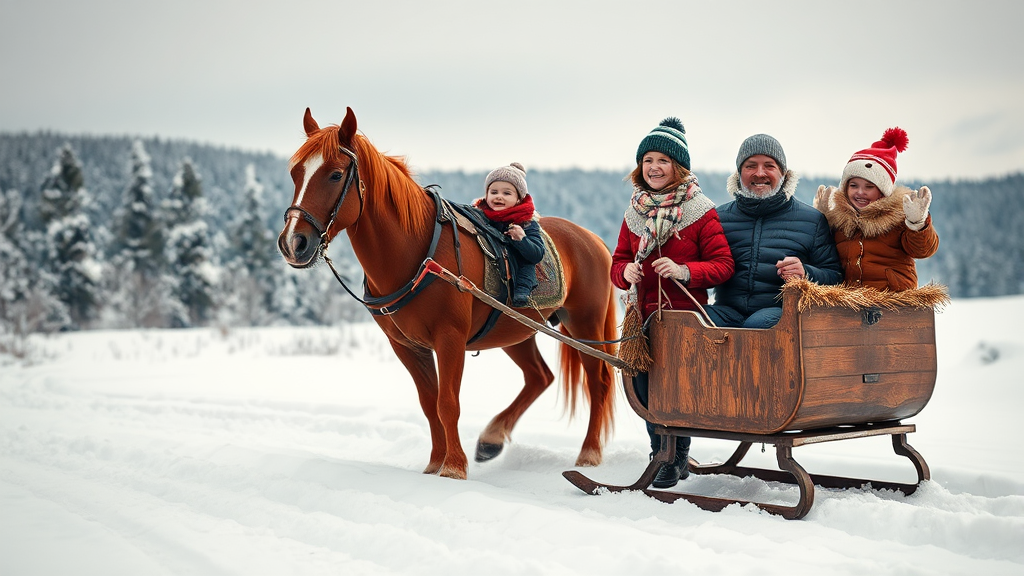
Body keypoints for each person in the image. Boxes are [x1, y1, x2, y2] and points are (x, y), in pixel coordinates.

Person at [610, 118, 734, 489]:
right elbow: (617, 262)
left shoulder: (700, 211)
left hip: (684, 318)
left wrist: (683, 271)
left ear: (678, 168)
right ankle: (658, 453)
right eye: (648, 160)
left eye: (662, 161)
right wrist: (625, 273)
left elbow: (723, 265)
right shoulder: (635, 213)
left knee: (677, 389)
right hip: (642, 318)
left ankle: (676, 457)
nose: (654, 168)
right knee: (647, 390)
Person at [705, 134, 843, 329]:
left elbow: (835, 277)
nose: (760, 173)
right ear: (739, 173)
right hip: (727, 310)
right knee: (690, 319)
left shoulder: (812, 220)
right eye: (751, 165)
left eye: (769, 166)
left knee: (757, 325)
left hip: (782, 312)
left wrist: (805, 272)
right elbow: (700, 266)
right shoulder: (719, 218)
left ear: (783, 173)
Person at [813, 127, 939, 290]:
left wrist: (917, 223)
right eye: (853, 185)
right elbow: (822, 255)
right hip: (849, 302)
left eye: (869, 187)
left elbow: (923, 250)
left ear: (882, 191)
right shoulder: (839, 222)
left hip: (893, 299)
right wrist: (822, 220)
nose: (860, 192)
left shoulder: (898, 217)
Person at [474, 162, 545, 307]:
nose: (499, 197)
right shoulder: (479, 216)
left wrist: (521, 240)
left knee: (525, 260)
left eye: (507, 193)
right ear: (486, 195)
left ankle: (522, 289)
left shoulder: (526, 223)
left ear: (519, 198)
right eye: (494, 192)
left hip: (520, 273)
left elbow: (537, 254)